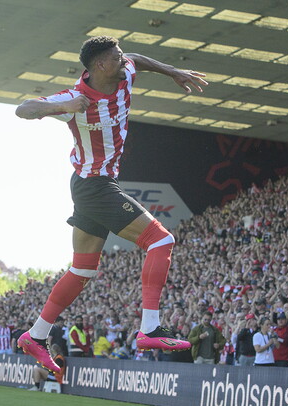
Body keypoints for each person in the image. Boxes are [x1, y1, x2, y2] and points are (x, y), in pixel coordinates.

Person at [13, 35, 208, 374]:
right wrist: (61, 108)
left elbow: (137, 58)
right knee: (161, 240)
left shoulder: (123, 72)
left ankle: (36, 335)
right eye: (116, 57)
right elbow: (23, 109)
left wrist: (173, 71)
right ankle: (150, 329)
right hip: (94, 186)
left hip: (93, 185)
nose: (124, 60)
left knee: (83, 270)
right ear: (100, 65)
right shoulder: (76, 97)